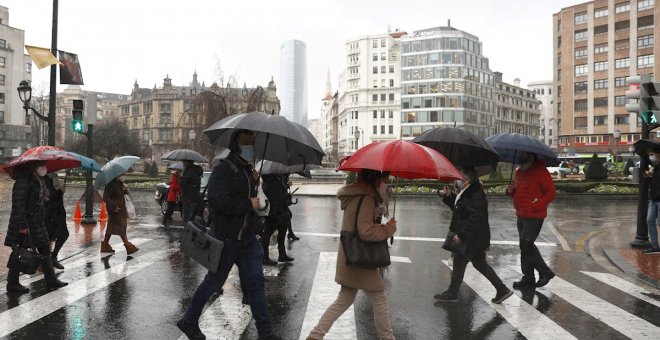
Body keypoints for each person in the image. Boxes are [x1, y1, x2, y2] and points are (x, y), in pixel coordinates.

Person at [177, 129, 282, 340]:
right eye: (247, 142)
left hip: (248, 239)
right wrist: (247, 203)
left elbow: (253, 203)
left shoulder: (247, 171)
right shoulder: (223, 169)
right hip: (227, 239)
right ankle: (188, 321)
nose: (251, 146)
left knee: (256, 283)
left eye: (252, 142)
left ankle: (265, 333)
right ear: (236, 144)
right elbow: (217, 201)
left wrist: (254, 185)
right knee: (213, 283)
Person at [306, 169, 397, 340]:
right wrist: (388, 229)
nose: (387, 183)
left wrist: (378, 210)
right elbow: (366, 232)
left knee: (344, 300)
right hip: (361, 258)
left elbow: (359, 223)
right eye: (385, 180)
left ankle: (315, 336)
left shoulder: (356, 196)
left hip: (351, 256)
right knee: (379, 299)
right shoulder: (367, 198)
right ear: (376, 180)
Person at [434, 167, 513, 304]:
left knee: (459, 262)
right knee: (480, 264)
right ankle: (502, 290)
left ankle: (452, 293)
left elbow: (475, 217)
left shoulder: (475, 194)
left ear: (467, 179)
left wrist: (462, 234)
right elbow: (460, 209)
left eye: (461, 178)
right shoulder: (469, 191)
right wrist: (448, 196)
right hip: (475, 237)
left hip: (472, 237)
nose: (458, 181)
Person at [4, 161, 68, 294]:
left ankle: (51, 280)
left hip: (37, 222)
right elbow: (18, 205)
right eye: (42, 166)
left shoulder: (38, 179)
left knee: (45, 250)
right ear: (34, 167)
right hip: (26, 224)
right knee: (19, 252)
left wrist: (59, 192)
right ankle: (13, 283)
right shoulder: (23, 181)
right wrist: (22, 226)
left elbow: (44, 200)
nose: (44, 168)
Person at [506, 151, 557, 288]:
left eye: (525, 154)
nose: (521, 157)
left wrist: (536, 205)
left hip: (534, 216)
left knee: (526, 244)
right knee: (524, 247)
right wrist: (511, 191)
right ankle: (528, 278)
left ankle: (545, 271)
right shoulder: (519, 172)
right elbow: (520, 192)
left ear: (532, 156)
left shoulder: (541, 172)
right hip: (521, 214)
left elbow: (551, 193)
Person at [261, 173, 295, 265]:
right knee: (267, 234)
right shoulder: (270, 180)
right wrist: (288, 196)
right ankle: (265, 257)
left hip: (281, 211)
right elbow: (276, 196)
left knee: (282, 232)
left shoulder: (276, 178)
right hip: (274, 212)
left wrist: (287, 186)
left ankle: (282, 254)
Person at [100, 174, 139, 254]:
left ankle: (105, 245)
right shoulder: (110, 183)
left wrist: (125, 191)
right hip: (114, 209)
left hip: (121, 208)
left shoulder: (119, 183)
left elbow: (119, 193)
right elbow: (105, 197)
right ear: (117, 174)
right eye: (122, 174)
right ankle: (128, 246)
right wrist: (114, 207)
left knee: (112, 226)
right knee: (121, 225)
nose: (123, 175)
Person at [44, 172, 68, 269]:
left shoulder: (53, 176)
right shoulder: (43, 179)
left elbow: (56, 197)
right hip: (50, 214)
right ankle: (46, 262)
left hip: (58, 213)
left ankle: (53, 257)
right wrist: (60, 191)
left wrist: (61, 191)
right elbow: (49, 197)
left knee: (64, 234)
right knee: (48, 238)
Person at [642, 147, 660, 254]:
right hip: (653, 199)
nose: (651, 157)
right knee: (650, 220)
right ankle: (655, 246)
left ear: (658, 154)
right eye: (650, 155)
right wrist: (649, 174)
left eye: (652, 154)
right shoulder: (655, 166)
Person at [179, 159, 203, 226]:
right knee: (192, 217)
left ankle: (189, 231)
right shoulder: (196, 170)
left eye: (183, 161)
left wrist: (179, 177)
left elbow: (183, 183)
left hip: (188, 197)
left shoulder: (189, 171)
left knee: (187, 218)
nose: (182, 163)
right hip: (195, 196)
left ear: (187, 162)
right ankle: (193, 231)